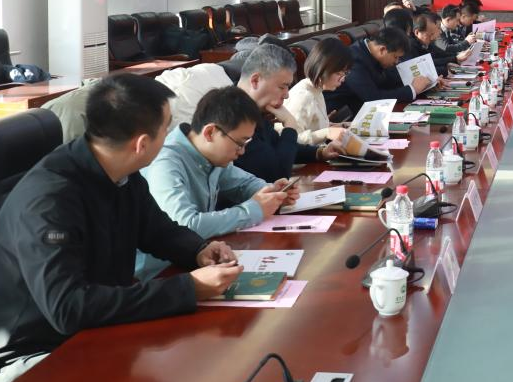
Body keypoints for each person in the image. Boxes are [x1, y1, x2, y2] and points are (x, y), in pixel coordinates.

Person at [0, 72, 243, 382]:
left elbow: (155, 229)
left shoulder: (119, 170)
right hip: (20, 358)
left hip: (88, 332)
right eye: (166, 128)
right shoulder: (50, 201)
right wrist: (187, 288)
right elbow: (69, 308)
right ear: (141, 143)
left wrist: (198, 249)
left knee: (195, 369)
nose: (170, 135)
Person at [137, 86, 301, 279]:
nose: (242, 152)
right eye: (239, 143)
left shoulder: (209, 154)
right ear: (210, 133)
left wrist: (272, 192)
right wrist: (254, 210)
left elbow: (244, 183)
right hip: (159, 275)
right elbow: (185, 224)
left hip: (198, 261)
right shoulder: (165, 161)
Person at [234, 43, 343, 181]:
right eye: (282, 87)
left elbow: (277, 146)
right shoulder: (234, 117)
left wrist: (320, 152)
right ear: (255, 81)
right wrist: (290, 125)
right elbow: (278, 175)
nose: (286, 95)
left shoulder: (255, 109)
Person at [328, 26, 438, 118]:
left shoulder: (372, 54)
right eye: (395, 57)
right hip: (338, 118)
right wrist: (412, 89)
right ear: (382, 50)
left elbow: (390, 81)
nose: (397, 62)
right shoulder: (354, 60)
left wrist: (427, 84)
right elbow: (373, 98)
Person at [283, 37, 353, 145]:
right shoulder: (303, 96)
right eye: (339, 73)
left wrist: (336, 126)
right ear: (323, 69)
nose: (343, 79)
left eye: (345, 73)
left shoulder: (316, 89)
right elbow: (293, 139)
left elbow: (311, 128)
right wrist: (327, 132)